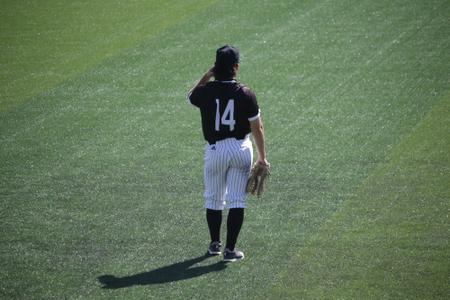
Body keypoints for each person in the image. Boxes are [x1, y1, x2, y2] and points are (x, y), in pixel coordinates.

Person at [187, 45, 268, 262]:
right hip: (241, 149)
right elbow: (257, 128)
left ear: (216, 67)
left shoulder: (206, 91)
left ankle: (215, 244)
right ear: (236, 67)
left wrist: (207, 74)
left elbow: (191, 96)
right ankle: (230, 250)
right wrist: (262, 157)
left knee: (213, 200)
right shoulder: (245, 93)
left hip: (214, 151)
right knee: (236, 201)